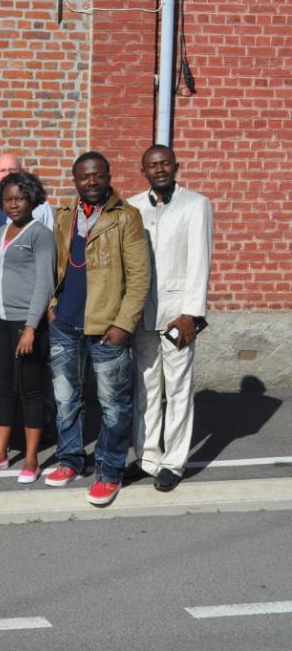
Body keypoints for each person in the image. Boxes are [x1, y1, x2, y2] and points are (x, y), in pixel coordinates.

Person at [45, 152, 150, 506]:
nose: (91, 182)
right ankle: (71, 460)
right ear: (75, 180)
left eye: (97, 176)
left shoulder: (126, 217)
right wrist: (52, 307)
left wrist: (124, 324)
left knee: (113, 406)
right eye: (84, 177)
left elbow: (139, 277)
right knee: (65, 401)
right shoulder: (64, 216)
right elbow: (55, 266)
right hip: (65, 325)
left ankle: (109, 472)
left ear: (108, 176)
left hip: (108, 329)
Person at [127, 145, 212, 492]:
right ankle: (147, 458)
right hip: (142, 314)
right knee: (145, 390)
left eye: (165, 163)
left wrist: (193, 314)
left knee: (177, 391)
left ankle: (173, 463)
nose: (160, 169)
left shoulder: (196, 204)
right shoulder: (133, 207)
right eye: (152, 165)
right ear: (143, 170)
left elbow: (200, 261)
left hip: (179, 315)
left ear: (176, 166)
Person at [0, 171, 56, 482]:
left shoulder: (40, 234)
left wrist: (32, 328)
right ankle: (0, 454)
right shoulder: (4, 230)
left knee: (31, 392)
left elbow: (44, 284)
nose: (13, 205)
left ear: (32, 199)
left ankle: (32, 459)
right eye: (7, 200)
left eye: (19, 199)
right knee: (5, 391)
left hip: (26, 325)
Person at [0, 153, 55, 230]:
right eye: (2, 170)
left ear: (21, 173)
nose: (7, 174)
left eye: (12, 170)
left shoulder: (42, 209)